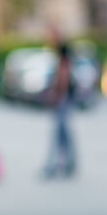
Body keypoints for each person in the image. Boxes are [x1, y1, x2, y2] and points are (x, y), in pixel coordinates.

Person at [43, 26, 77, 178]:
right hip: (64, 97)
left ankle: (57, 164)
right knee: (63, 133)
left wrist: (57, 95)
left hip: (63, 97)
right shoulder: (61, 50)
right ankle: (67, 163)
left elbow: (64, 74)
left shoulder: (63, 50)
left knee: (60, 132)